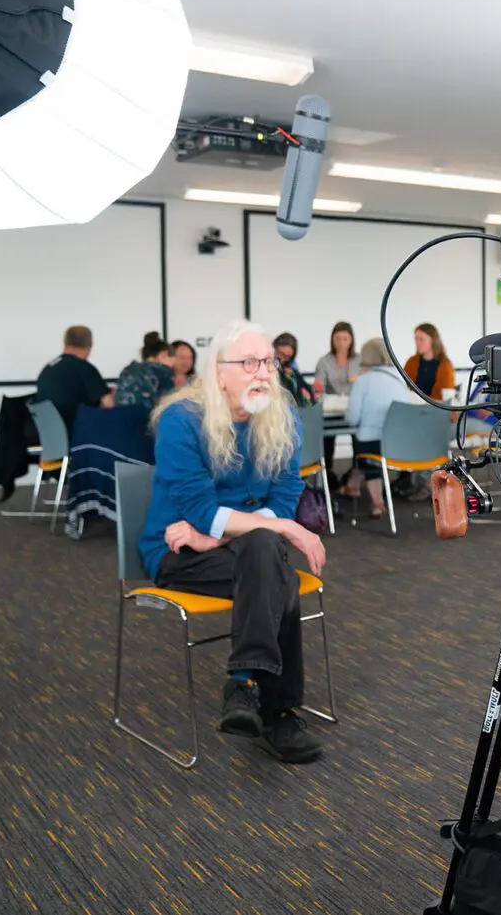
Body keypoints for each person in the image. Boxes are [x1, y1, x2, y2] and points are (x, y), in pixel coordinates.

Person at [139, 320, 327, 764]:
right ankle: (278, 710)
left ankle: (244, 685)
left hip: (231, 549)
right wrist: (274, 529)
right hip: (178, 554)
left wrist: (228, 536)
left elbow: (283, 499)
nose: (263, 372)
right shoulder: (181, 420)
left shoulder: (282, 418)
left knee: (265, 553)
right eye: (249, 362)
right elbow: (201, 510)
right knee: (273, 565)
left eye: (269, 362)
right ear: (219, 373)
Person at [346, 338, 420, 514]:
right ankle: (352, 485)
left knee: (361, 443)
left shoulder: (362, 381)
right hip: (398, 442)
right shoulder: (400, 378)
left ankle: (377, 503)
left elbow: (352, 419)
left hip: (373, 445)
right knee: (365, 444)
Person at [36, 325, 114, 431]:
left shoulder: (48, 368)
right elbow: (109, 404)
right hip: (78, 433)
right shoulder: (84, 368)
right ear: (90, 345)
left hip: (52, 435)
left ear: (65, 342)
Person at [314, 322, 360, 489]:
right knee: (327, 436)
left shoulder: (359, 360)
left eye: (345, 339)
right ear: (332, 340)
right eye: (337, 338)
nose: (341, 343)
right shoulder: (325, 361)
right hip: (332, 410)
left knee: (359, 436)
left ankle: (356, 471)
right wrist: (318, 386)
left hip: (354, 408)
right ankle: (329, 471)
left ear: (351, 340)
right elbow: (318, 387)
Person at [114, 332, 175, 413]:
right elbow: (168, 404)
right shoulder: (163, 372)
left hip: (122, 420)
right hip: (147, 421)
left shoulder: (128, 370)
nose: (173, 365)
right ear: (163, 354)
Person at [403, 322, 456, 403]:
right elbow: (403, 388)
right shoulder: (411, 362)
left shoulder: (445, 366)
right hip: (412, 407)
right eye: (416, 339)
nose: (417, 343)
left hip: (435, 410)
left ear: (433, 340)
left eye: (421, 339)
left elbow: (447, 399)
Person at [273, 332, 317, 408]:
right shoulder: (266, 363)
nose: (281, 358)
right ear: (274, 348)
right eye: (280, 353)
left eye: (286, 357)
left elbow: (305, 388)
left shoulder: (292, 369)